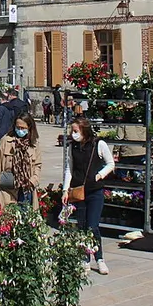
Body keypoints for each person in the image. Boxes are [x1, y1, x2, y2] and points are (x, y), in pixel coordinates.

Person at [62, 117, 115, 275]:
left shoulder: (98, 144)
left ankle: (99, 258)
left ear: (84, 130)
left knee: (92, 226)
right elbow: (69, 168)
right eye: (72, 131)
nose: (73, 134)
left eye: (76, 131)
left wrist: (100, 175)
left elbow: (110, 163)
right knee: (82, 225)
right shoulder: (72, 147)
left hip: (95, 191)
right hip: (79, 191)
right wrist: (65, 189)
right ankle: (85, 258)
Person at [0, 112, 43, 209]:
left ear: (29, 128)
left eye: (23, 128)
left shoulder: (34, 143)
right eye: (18, 127)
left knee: (25, 216)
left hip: (26, 187)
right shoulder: (6, 140)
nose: (20, 130)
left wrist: (34, 180)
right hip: (8, 188)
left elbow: (38, 164)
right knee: (9, 217)